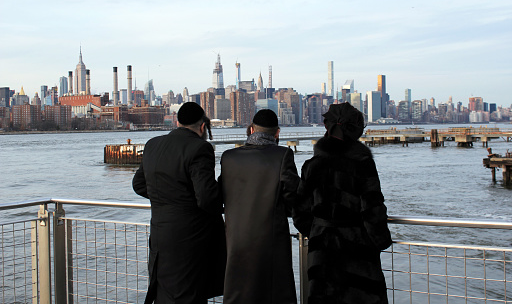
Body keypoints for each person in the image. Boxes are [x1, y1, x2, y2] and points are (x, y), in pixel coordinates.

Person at [293, 102, 392, 304]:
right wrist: (380, 241)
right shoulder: (362, 164)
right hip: (357, 251)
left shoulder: (312, 165)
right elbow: (373, 209)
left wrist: (318, 232)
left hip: (321, 252)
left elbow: (299, 212)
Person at [132, 102, 226, 304]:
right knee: (190, 294)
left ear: (177, 122)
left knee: (164, 293)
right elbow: (207, 198)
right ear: (202, 127)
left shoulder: (153, 144)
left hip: (159, 235)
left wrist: (167, 197)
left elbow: (139, 184)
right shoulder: (200, 148)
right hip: (191, 238)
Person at [219, 109, 300, 304]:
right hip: (270, 243)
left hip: (235, 242)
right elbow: (294, 196)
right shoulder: (282, 155)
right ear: (277, 133)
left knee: (238, 295)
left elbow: (220, 193)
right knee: (274, 294)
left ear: (251, 129)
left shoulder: (229, 158)